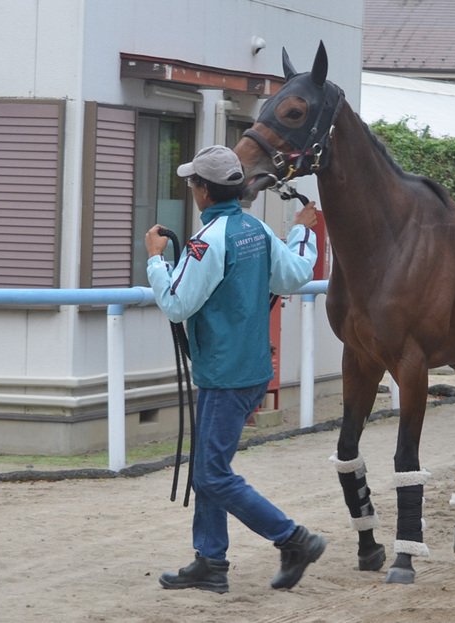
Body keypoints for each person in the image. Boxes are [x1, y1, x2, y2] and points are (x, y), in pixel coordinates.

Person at [144, 145, 324, 594]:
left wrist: (156, 259)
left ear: (204, 191)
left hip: (224, 375)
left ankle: (293, 539)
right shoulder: (257, 229)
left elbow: (175, 303)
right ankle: (211, 561)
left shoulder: (207, 242)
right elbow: (296, 273)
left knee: (212, 474)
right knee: (210, 467)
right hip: (248, 369)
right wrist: (302, 232)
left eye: (192, 183)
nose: (191, 189)